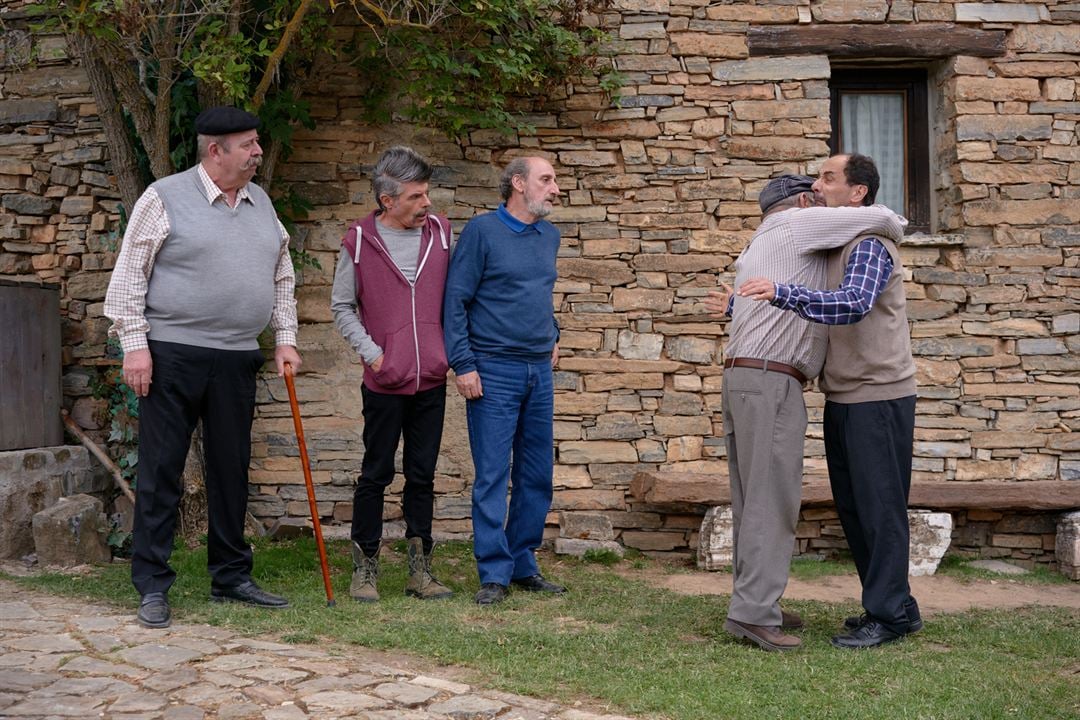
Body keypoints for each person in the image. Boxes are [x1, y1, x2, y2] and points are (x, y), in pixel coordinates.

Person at [103, 106, 301, 629]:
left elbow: (282, 274)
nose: (258, 152)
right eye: (249, 144)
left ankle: (231, 576)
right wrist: (135, 346)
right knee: (162, 469)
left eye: (257, 143)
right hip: (171, 353)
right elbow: (128, 276)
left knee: (232, 469)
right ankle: (152, 584)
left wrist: (284, 339)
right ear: (217, 151)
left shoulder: (261, 203)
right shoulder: (163, 196)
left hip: (237, 355)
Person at [703, 174, 906, 652]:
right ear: (801, 201)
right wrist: (895, 223)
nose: (821, 191)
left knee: (751, 496)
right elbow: (882, 216)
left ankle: (753, 605)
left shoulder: (761, 241)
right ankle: (754, 614)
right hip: (771, 380)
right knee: (772, 498)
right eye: (815, 189)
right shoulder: (799, 223)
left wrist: (734, 304)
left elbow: (767, 304)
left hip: (744, 377)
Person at [330, 146, 454, 602]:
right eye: (417, 197)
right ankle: (365, 569)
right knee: (376, 474)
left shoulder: (441, 234)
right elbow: (342, 306)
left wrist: (448, 353)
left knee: (422, 475)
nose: (427, 205)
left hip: (431, 380)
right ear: (388, 199)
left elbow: (456, 299)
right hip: (384, 382)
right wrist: (374, 355)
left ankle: (421, 571)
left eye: (427, 195)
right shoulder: (359, 240)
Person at [443, 156, 565, 605]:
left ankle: (522, 563)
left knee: (537, 474)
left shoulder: (548, 235)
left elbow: (538, 292)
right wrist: (463, 363)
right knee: (493, 475)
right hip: (492, 370)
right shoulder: (482, 232)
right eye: (546, 180)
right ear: (518, 183)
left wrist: (554, 334)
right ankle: (493, 572)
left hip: (539, 370)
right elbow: (455, 300)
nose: (555, 188)